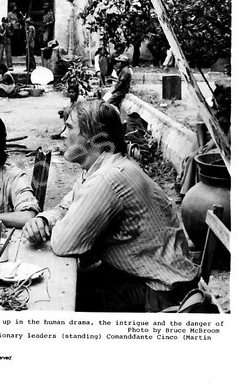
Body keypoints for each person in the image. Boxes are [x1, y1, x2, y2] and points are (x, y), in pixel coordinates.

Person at [22, 100, 200, 312]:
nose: (62, 134)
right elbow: (65, 206)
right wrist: (43, 220)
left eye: (69, 128)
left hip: (161, 290)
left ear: (94, 138)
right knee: (67, 283)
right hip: (147, 276)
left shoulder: (107, 178)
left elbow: (63, 244)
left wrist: (54, 226)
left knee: (59, 297)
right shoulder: (101, 168)